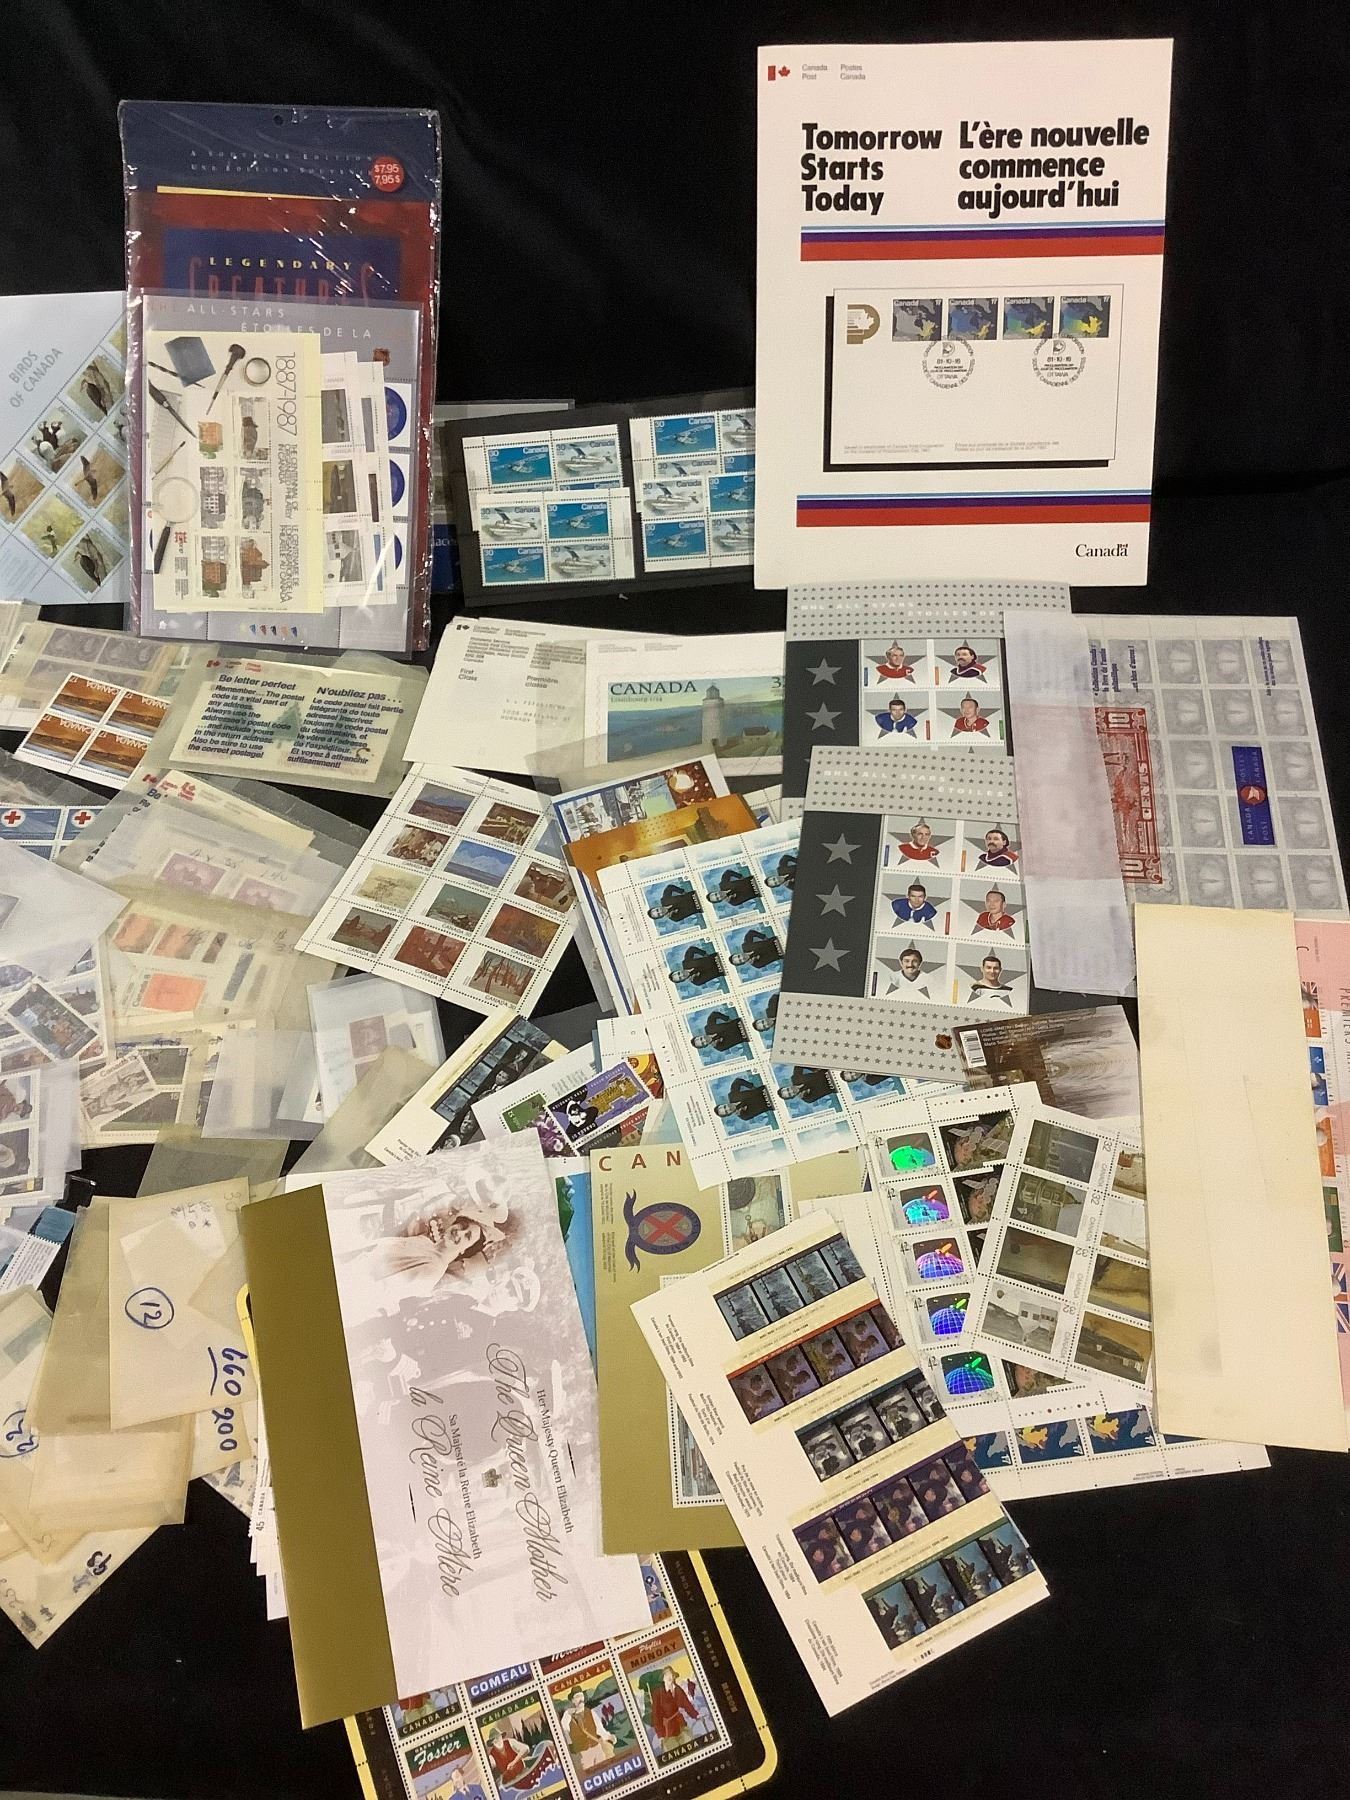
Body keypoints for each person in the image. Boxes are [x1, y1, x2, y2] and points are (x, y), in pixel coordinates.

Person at [561, 1690, 616, 1771]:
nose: (580, 1699)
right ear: (573, 1700)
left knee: (605, 1769)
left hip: (597, 1748)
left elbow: (599, 1728)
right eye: (577, 1697)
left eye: (581, 1696)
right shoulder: (568, 1716)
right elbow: (564, 1731)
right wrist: (570, 1745)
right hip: (583, 1753)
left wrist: (609, 1736)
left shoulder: (590, 1712)